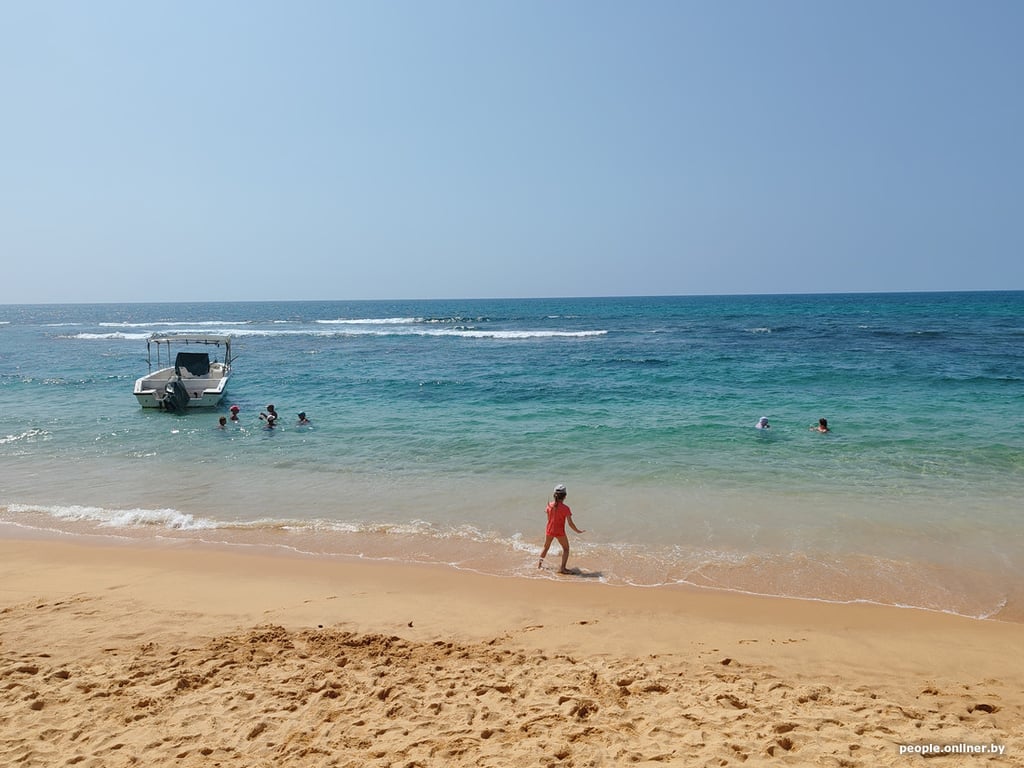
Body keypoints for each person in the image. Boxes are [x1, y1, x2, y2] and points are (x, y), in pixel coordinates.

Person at [538, 484, 585, 574]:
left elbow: (548, 518)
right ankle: (563, 568)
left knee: (546, 547)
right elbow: (570, 523)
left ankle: (539, 565)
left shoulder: (549, 505)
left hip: (549, 530)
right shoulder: (566, 508)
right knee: (566, 549)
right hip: (559, 532)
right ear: (565, 496)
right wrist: (577, 531)